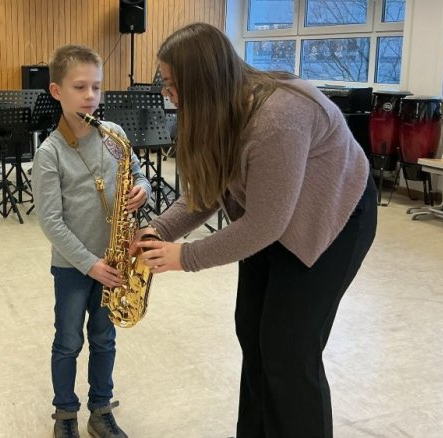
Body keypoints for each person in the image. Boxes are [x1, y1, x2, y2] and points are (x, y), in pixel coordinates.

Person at [132, 23, 377, 438]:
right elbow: (208, 190)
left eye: (172, 85)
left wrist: (184, 257)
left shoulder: (279, 119)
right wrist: (158, 229)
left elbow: (265, 224)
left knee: (289, 350)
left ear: (203, 82)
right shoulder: (219, 108)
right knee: (252, 328)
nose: (166, 94)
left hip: (335, 216)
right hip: (272, 214)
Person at [32, 44, 151, 438]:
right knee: (68, 342)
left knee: (104, 339)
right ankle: (65, 414)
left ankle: (100, 409)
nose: (90, 96)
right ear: (56, 91)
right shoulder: (49, 153)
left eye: (96, 87)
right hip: (73, 267)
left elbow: (137, 172)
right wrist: (90, 264)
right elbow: (51, 222)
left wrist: (144, 188)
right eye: (79, 87)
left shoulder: (114, 136)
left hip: (114, 262)